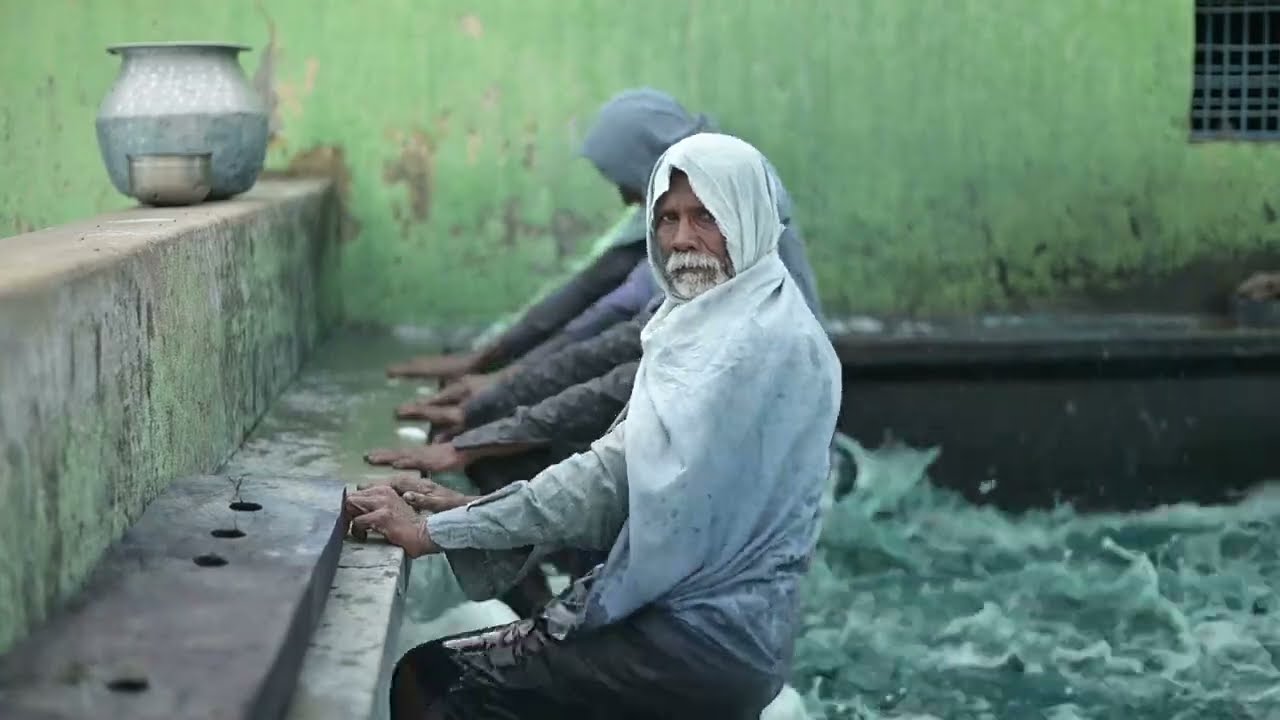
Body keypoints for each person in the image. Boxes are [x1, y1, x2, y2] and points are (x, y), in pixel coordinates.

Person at [344, 133, 842, 718]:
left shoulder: (736, 350)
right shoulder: (757, 320)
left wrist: (438, 530)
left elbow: (607, 481)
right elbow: (643, 489)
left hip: (687, 640)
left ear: (750, 217)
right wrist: (467, 509)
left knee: (431, 682)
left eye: (706, 216)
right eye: (668, 218)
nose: (683, 239)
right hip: (747, 642)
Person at [384, 88, 708, 382]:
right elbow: (586, 290)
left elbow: (612, 318)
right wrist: (487, 360)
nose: (625, 199)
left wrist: (509, 380)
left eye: (626, 182)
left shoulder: (703, 233)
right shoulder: (670, 202)